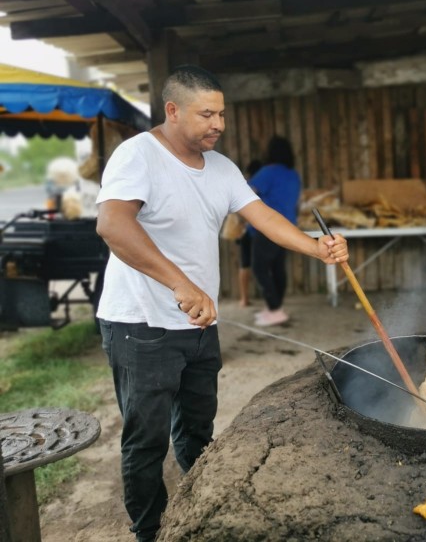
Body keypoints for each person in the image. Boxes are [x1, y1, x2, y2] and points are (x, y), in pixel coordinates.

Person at [94, 64, 348, 542]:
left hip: (197, 325)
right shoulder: (138, 156)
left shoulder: (223, 167)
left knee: (196, 429)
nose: (219, 124)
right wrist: (181, 285)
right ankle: (149, 531)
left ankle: (199, 512)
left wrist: (316, 247)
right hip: (140, 323)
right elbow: (113, 226)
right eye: (207, 114)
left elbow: (264, 216)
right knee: (145, 440)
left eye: (222, 114)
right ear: (172, 110)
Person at [248, 136, 301, 326]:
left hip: (267, 228)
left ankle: (275, 309)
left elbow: (246, 194)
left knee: (260, 268)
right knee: (278, 268)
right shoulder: (293, 174)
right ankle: (276, 308)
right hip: (287, 227)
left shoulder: (267, 172)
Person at [237, 159, 263, 307]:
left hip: (246, 229)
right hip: (257, 230)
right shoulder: (258, 185)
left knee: (244, 264)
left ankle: (244, 298)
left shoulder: (245, 184)